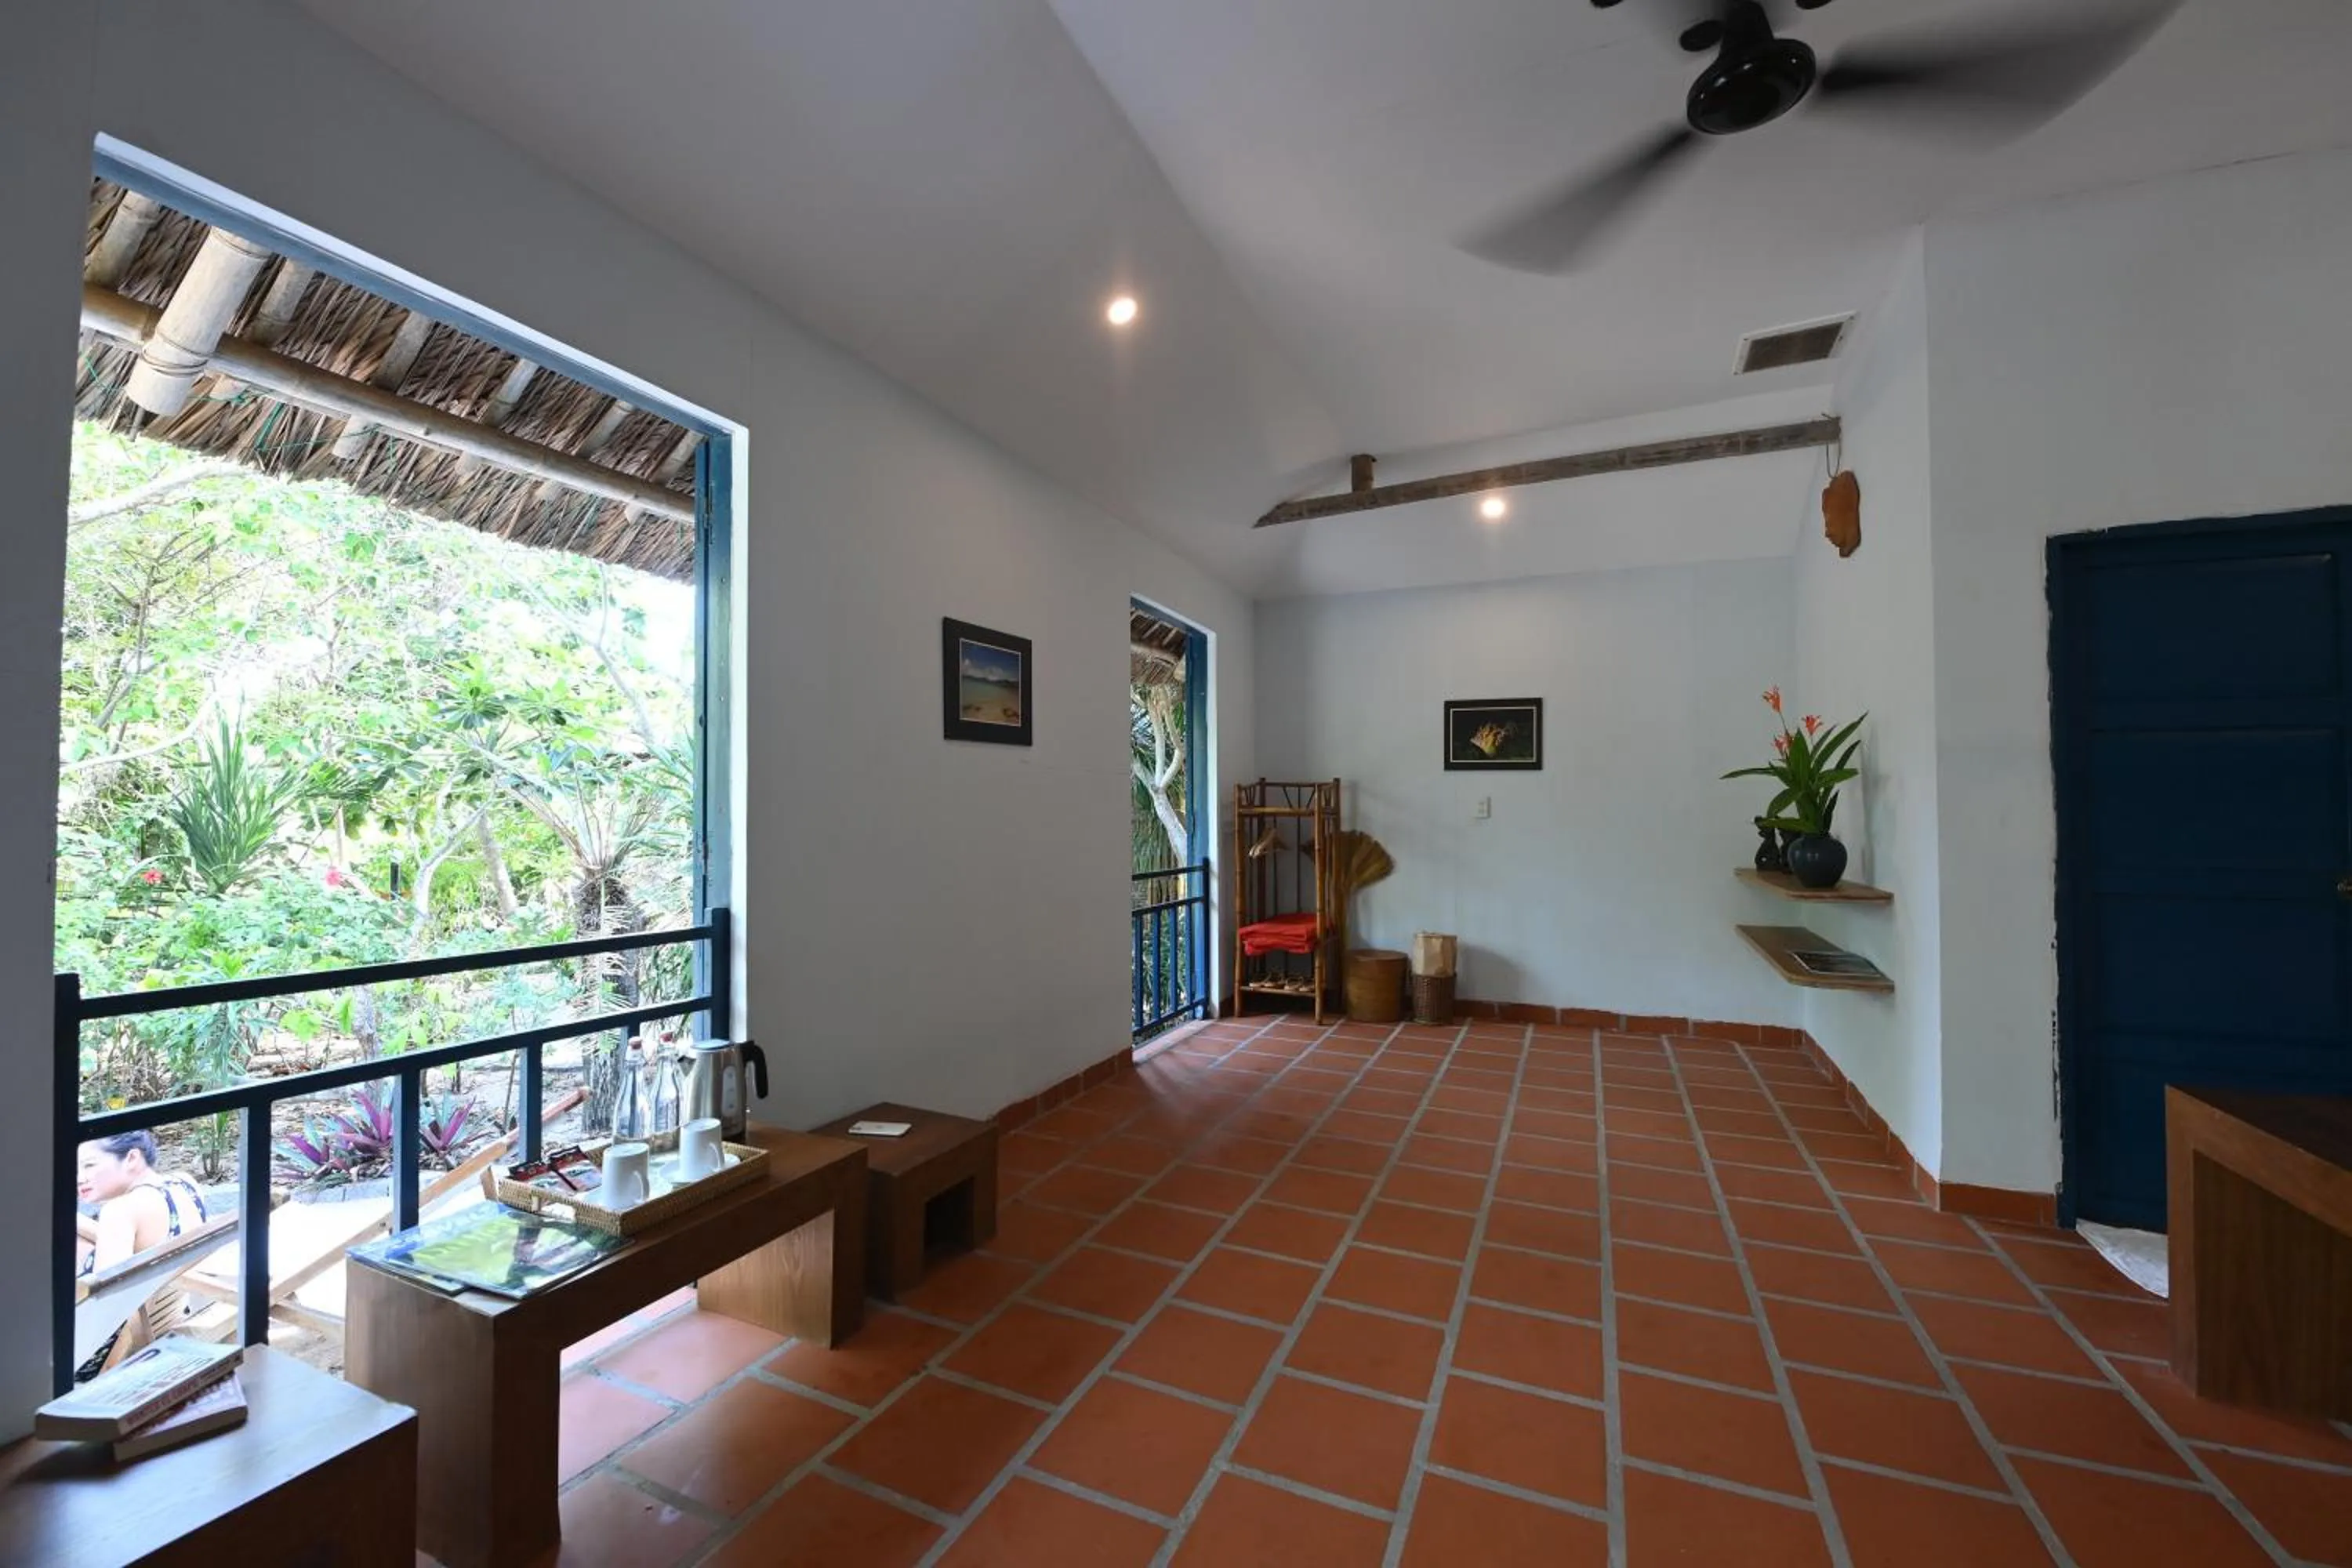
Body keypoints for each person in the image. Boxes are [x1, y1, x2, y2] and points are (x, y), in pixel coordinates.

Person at [76, 1131, 209, 1279]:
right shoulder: (185, 1183)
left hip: (139, 1299)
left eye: (89, 1165)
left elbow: (108, 1297)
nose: (80, 1178)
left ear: (132, 1158)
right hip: (174, 1296)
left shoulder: (120, 1211)